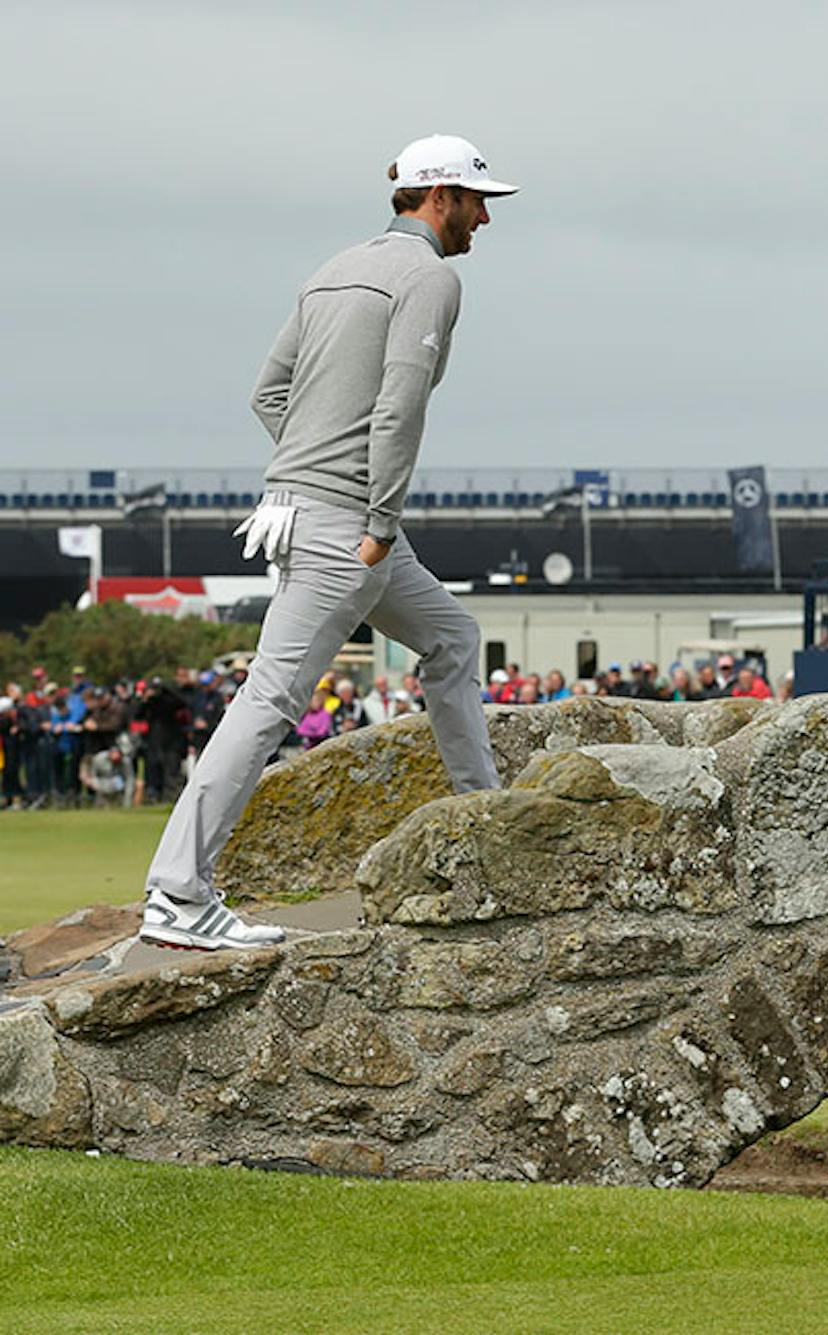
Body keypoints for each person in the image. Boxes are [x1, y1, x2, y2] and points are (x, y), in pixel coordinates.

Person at [139, 134, 517, 952]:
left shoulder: (331, 268)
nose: (486, 217)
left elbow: (267, 392)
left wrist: (314, 470)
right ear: (438, 196)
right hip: (350, 524)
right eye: (477, 198)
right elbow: (400, 403)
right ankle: (176, 892)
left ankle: (484, 824)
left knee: (452, 636)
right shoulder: (430, 277)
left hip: (305, 508)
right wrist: (377, 517)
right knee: (269, 699)